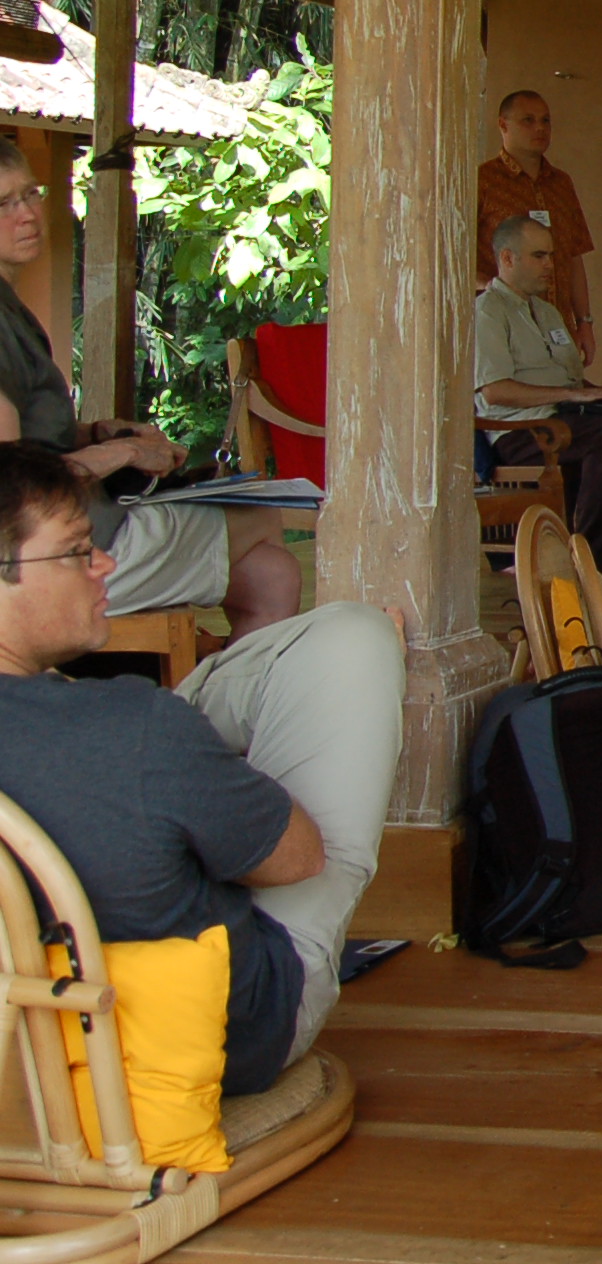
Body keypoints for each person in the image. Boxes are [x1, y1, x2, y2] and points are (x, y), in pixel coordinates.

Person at [0, 442, 403, 1098]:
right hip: (202, 1040)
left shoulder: (131, 729)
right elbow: (296, 860)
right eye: (78, 549)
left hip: (14, 1044)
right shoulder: (130, 730)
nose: (105, 563)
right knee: (360, 643)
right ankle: (331, 662)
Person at [0, 137, 301, 639]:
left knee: (272, 576)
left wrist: (96, 432)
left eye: (31, 194)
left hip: (83, 520)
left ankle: (218, 705)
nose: (27, 214)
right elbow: (9, 484)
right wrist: (122, 454)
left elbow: (35, 438)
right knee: (261, 517)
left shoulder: (12, 308)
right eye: (4, 203)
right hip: (49, 550)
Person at [474, 215, 602, 573]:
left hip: (566, 416)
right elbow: (494, 391)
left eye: (551, 255)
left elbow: (568, 380)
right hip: (519, 430)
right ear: (507, 258)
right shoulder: (488, 311)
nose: (550, 265)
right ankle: (597, 570)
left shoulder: (549, 312)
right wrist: (575, 395)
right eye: (539, 256)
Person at [476, 89, 599, 369]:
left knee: (565, 396)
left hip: (558, 326)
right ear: (503, 125)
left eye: (545, 120)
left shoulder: (561, 184)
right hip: (505, 324)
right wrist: (492, 288)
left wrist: (584, 322)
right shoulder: (482, 181)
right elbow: (455, 261)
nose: (540, 128)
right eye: (528, 120)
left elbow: (573, 256)